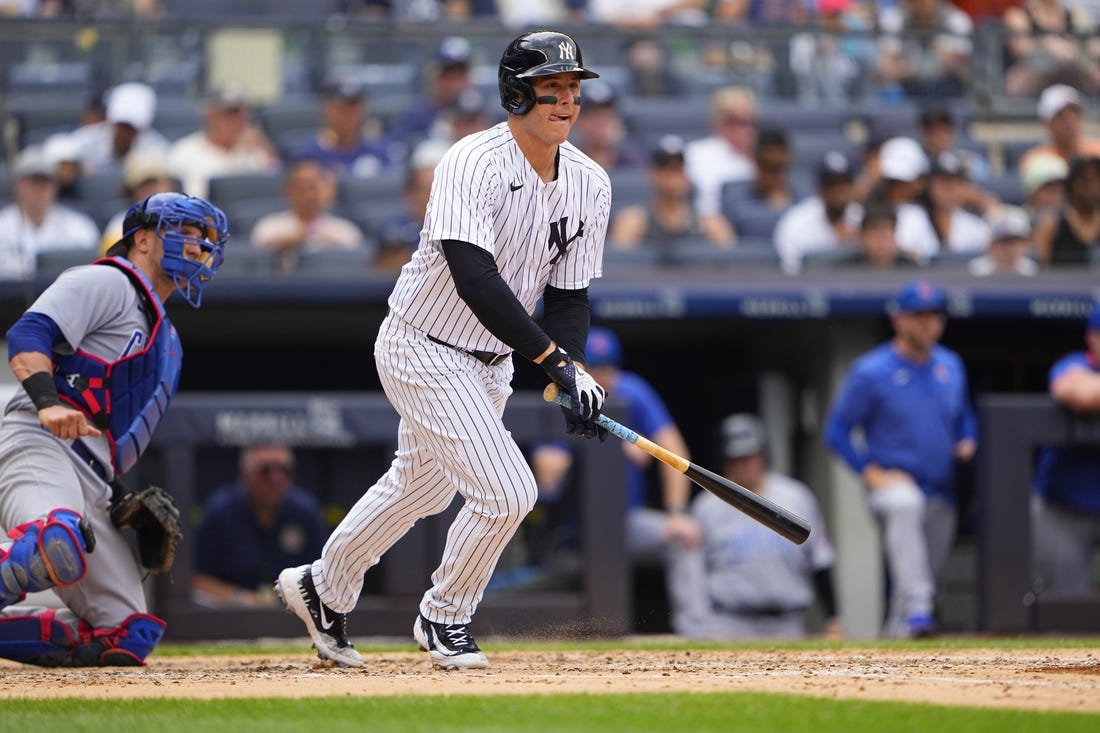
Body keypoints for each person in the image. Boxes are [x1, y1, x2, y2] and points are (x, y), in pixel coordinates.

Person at [274, 30, 610, 672]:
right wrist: (553, 361)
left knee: (421, 490)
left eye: (573, 89)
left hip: (492, 361)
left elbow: (569, 296)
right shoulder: (472, 161)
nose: (567, 101)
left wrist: (570, 371)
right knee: (510, 492)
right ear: (515, 94)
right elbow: (473, 275)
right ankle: (444, 614)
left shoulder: (590, 183)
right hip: (422, 344)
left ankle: (322, 588)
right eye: (551, 89)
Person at [0, 191, 228, 666]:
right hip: (39, 440)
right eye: (182, 234)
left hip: (90, 470)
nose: (194, 247)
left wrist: (117, 491)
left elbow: (107, 419)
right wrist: (46, 403)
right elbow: (28, 334)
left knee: (127, 634)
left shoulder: (165, 336)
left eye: (199, 239)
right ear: (142, 239)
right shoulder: (106, 280)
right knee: (51, 545)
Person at [824, 279, 978, 638]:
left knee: (920, 581)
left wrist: (968, 438)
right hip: (896, 487)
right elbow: (837, 431)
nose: (929, 323)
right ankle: (920, 610)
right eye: (919, 315)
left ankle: (898, 637)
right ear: (900, 320)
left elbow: (965, 417)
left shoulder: (951, 365)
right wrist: (869, 473)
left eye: (935, 315)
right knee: (918, 586)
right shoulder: (871, 370)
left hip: (941, 488)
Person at [670, 413, 839, 639]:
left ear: (763, 454)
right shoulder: (706, 507)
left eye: (750, 455)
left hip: (788, 623)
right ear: (724, 460)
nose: (745, 464)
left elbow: (820, 560)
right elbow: (690, 573)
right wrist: (695, 623)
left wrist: (834, 617)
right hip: (727, 624)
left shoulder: (797, 497)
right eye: (736, 458)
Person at [193, 445, 325, 607]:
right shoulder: (220, 511)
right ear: (245, 473)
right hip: (231, 613)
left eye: (285, 469)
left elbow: (323, 575)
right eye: (266, 470)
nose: (276, 478)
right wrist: (240, 598)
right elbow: (195, 578)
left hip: (294, 613)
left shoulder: (306, 512)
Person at [1032, 302, 1100, 595]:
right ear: (1092, 337)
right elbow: (1079, 394)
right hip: (1063, 506)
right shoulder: (1072, 365)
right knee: (1064, 601)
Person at [608, 134, 734, 250]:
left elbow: (732, 265)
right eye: (667, 168)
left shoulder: (710, 224)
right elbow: (619, 267)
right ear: (652, 174)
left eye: (679, 168)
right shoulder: (634, 222)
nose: (674, 176)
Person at [249, 158, 367, 274]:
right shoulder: (268, 226)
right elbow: (256, 260)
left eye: (314, 188)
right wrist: (291, 241)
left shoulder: (345, 230)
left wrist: (332, 247)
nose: (309, 196)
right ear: (287, 192)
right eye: (302, 189)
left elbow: (355, 265)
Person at [0, 145, 100, 280]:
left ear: (55, 185)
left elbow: (92, 270)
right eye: (33, 182)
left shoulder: (79, 226)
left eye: (46, 182)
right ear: (17, 185)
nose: (40, 189)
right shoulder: (3, 225)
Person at [167, 83, 281, 199]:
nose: (234, 121)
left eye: (239, 115)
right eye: (226, 115)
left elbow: (276, 182)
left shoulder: (255, 151)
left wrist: (264, 146)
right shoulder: (183, 151)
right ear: (209, 116)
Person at [774, 149, 863, 274]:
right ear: (819, 189)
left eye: (845, 184)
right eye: (832, 185)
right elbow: (789, 271)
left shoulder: (863, 217)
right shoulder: (797, 221)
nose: (839, 191)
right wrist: (834, 243)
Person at [292, 75, 395, 179]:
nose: (348, 114)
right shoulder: (308, 156)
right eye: (341, 108)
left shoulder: (381, 152)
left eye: (353, 107)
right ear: (325, 109)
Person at [98, 148, 178, 253]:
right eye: (143, 185)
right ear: (132, 191)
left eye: (155, 183)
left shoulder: (189, 219)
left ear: (169, 183)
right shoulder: (119, 225)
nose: (152, 191)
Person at [1032, 154, 1100, 266]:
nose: (1092, 187)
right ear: (1072, 184)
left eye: (1097, 179)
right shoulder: (1051, 225)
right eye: (1085, 180)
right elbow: (1039, 272)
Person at [1017, 84, 1100, 176]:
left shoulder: (1096, 153)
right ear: (1047, 123)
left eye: (1074, 114)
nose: (1069, 122)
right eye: (1060, 116)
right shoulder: (1035, 161)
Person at [968, 205, 1040, 276]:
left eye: (1014, 242)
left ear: (1025, 246)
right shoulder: (976, 271)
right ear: (991, 245)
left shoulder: (1032, 271)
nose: (1008, 248)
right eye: (1003, 242)